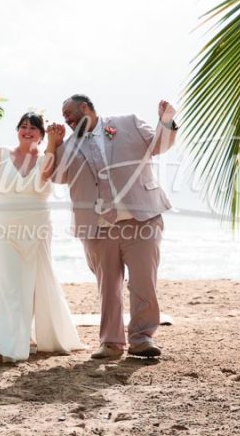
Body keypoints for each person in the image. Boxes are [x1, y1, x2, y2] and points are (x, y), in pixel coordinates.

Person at [46, 95, 177, 359]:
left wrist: (166, 121)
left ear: (85, 108)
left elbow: (158, 146)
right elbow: (56, 176)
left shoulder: (127, 123)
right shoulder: (68, 146)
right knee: (107, 286)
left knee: (143, 282)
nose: (67, 120)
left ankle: (142, 338)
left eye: (69, 113)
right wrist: (53, 144)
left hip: (141, 219)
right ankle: (111, 342)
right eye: (64, 117)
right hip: (97, 227)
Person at [0, 109, 83, 362]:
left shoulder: (47, 157)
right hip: (5, 226)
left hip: (37, 225)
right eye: (23, 126)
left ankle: (33, 335)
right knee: (10, 283)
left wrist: (52, 144)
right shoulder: (0, 155)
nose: (27, 131)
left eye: (33, 128)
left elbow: (43, 179)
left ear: (40, 135)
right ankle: (9, 343)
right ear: (17, 130)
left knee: (39, 280)